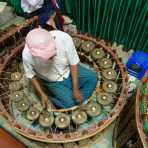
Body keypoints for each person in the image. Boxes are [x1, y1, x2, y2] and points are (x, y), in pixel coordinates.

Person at [22, 28, 97, 109]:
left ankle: (72, 96)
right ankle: (55, 99)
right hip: (52, 81)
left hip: (69, 70)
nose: (52, 58)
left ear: (53, 39)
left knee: (92, 78)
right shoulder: (26, 55)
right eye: (48, 57)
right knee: (70, 103)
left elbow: (73, 64)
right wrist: (42, 94)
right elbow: (31, 76)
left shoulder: (63, 38)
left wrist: (75, 89)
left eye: (52, 54)